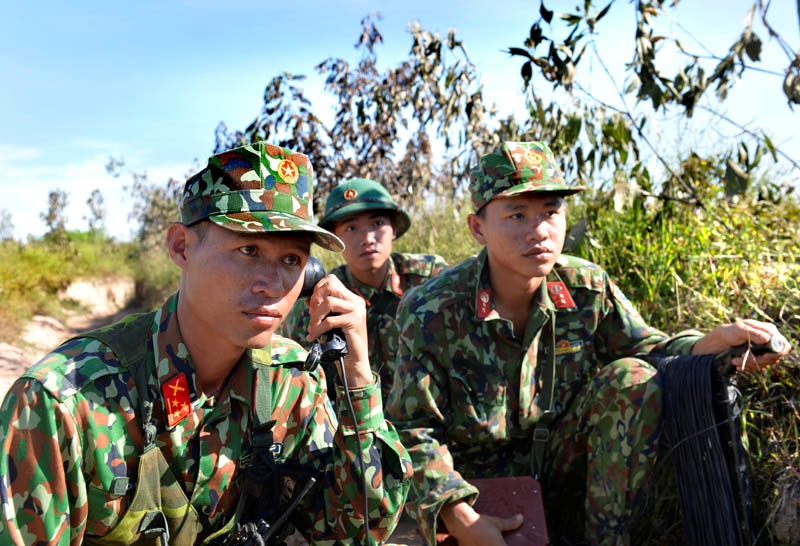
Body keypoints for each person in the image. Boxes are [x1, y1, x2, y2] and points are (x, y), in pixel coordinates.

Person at [0, 142, 412, 546]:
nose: (272, 285)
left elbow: (358, 529)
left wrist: (356, 378)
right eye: (248, 249)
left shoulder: (293, 381)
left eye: (291, 260)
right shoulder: (60, 403)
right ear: (182, 247)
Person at [385, 141, 792, 546]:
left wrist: (714, 344)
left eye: (551, 212)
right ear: (478, 228)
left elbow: (650, 351)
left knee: (633, 378)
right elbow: (412, 429)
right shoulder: (432, 310)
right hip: (476, 492)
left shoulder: (585, 287)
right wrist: (461, 518)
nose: (540, 231)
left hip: (565, 472)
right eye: (517, 214)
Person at [279, 178, 447, 401]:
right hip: (354, 422)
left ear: (393, 229)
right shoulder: (320, 299)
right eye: (351, 227)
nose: (367, 239)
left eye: (377, 224)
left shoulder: (429, 278)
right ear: (335, 237)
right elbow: (299, 381)